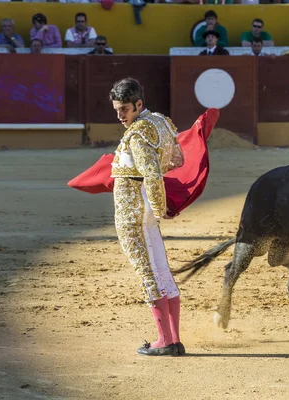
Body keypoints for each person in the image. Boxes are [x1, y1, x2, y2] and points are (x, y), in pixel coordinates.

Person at [109, 77, 185, 357]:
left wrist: (159, 204)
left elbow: (152, 174)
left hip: (133, 212)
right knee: (161, 270)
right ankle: (173, 339)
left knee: (147, 273)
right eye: (117, 109)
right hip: (147, 211)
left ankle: (164, 340)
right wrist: (156, 206)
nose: (120, 115)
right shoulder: (161, 122)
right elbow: (178, 159)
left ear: (139, 104)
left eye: (125, 109)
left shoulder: (138, 133)